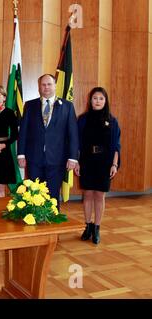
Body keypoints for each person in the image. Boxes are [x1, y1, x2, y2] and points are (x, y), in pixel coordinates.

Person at [17, 74, 78, 209]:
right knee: (34, 193)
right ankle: (34, 221)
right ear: (39, 87)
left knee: (53, 194)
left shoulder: (67, 106)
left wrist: (73, 157)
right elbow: (24, 132)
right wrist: (21, 154)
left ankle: (52, 222)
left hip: (57, 159)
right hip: (34, 158)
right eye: (43, 85)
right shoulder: (30, 105)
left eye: (49, 84)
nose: (46, 87)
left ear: (55, 85)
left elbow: (73, 134)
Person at [74, 87, 121, 245]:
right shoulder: (83, 119)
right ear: (90, 100)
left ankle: (97, 228)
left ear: (105, 101)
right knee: (87, 194)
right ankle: (87, 226)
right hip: (87, 160)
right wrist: (77, 161)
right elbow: (77, 144)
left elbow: (116, 146)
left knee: (100, 195)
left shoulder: (112, 121)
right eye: (95, 98)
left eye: (101, 98)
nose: (98, 101)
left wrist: (114, 164)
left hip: (104, 162)